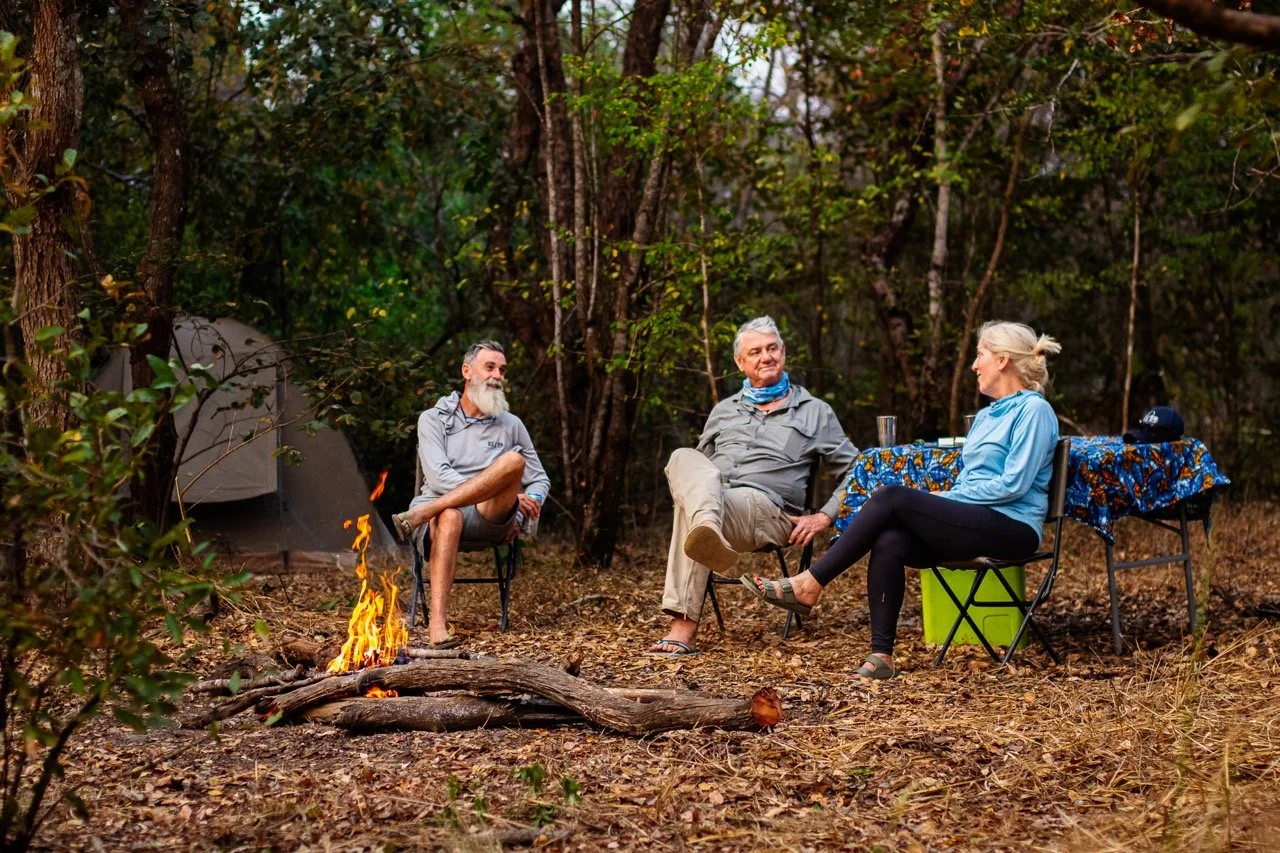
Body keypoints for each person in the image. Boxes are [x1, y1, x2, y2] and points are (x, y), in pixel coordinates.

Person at [744, 321, 1061, 680]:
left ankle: (809, 584)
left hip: (1013, 526)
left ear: (1003, 360)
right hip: (977, 520)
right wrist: (947, 500)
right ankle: (881, 656)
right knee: (890, 539)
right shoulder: (988, 415)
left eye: (980, 355)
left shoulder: (1034, 411)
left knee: (893, 497)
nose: (975, 365)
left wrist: (943, 498)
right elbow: (975, 481)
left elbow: (1014, 485)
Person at [649, 316, 859, 658]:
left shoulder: (814, 412)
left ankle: (682, 628)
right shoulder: (723, 411)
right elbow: (697, 474)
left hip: (768, 510)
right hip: (718, 503)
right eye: (756, 351)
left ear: (784, 353)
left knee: (696, 508)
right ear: (740, 362)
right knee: (683, 457)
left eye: (772, 348)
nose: (766, 357)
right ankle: (707, 529)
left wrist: (824, 516)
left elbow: (858, 470)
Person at [392, 340, 551, 648]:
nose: (497, 376)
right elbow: (438, 477)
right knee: (449, 515)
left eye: (502, 370)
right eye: (489, 367)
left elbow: (539, 479)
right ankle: (437, 626)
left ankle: (424, 512)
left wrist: (523, 510)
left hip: (488, 516)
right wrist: (490, 487)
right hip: (442, 511)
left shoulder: (511, 424)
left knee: (513, 462)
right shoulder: (433, 419)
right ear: (467, 371)